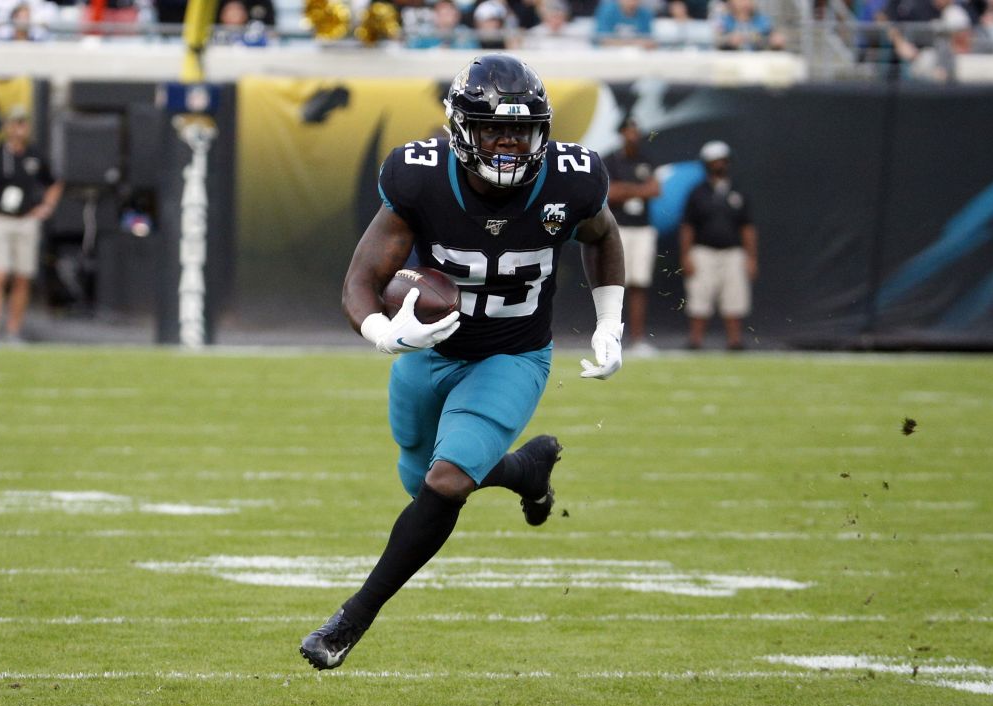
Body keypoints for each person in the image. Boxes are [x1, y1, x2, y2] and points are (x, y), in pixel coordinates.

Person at [299, 54, 626, 671]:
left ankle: (350, 620)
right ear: (459, 129)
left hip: (512, 354)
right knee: (417, 475)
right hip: (429, 354)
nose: (507, 145)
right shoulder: (420, 176)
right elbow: (361, 277)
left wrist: (610, 321)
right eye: (492, 130)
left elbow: (603, 235)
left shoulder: (572, 179)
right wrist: (383, 334)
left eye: (520, 131)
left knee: (445, 483)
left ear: (542, 132)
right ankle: (526, 470)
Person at [0, 105, 63, 343]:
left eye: (23, 123)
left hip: (25, 221)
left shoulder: (35, 155)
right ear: (7, 126)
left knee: (22, 277)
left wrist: (46, 207)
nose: (19, 128)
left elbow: (54, 182)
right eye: (14, 123)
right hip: (1, 220)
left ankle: (13, 332)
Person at [679, 140, 758, 350]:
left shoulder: (738, 192)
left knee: (734, 298)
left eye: (722, 160)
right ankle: (695, 340)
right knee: (699, 297)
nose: (719, 165)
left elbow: (747, 227)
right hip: (703, 251)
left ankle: (735, 341)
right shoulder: (697, 193)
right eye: (715, 161)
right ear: (707, 164)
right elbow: (687, 226)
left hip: (733, 252)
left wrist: (751, 257)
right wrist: (686, 255)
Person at [604, 117, 660, 354]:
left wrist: (626, 189)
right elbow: (610, 193)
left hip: (642, 229)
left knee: (639, 284)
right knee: (614, 285)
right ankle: (609, 336)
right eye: (629, 131)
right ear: (621, 133)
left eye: (636, 131)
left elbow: (655, 189)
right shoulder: (611, 160)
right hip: (619, 228)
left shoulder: (646, 159)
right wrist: (637, 190)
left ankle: (637, 339)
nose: (633, 135)